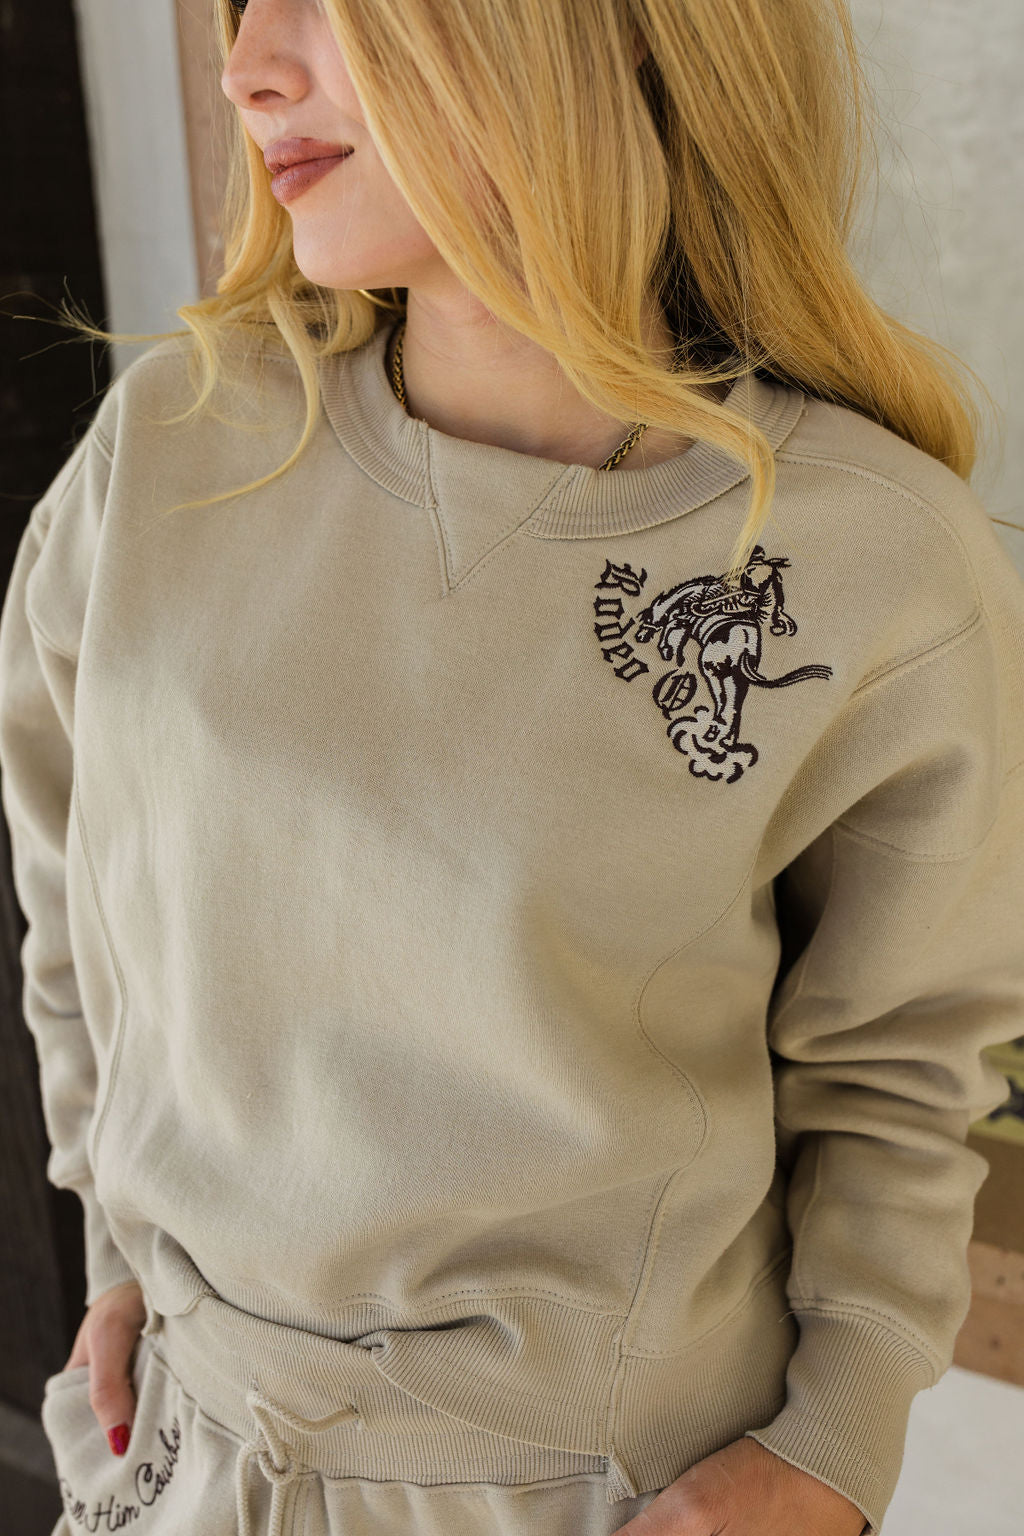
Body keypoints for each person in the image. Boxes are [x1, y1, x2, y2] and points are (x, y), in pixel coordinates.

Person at [2, 2, 1022, 1534]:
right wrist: (116, 1249)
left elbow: (898, 1065)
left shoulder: (869, 563)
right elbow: (77, 911)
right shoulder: (169, 446)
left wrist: (834, 1447)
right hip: (178, 1460)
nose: (245, 67)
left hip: (588, 1495)